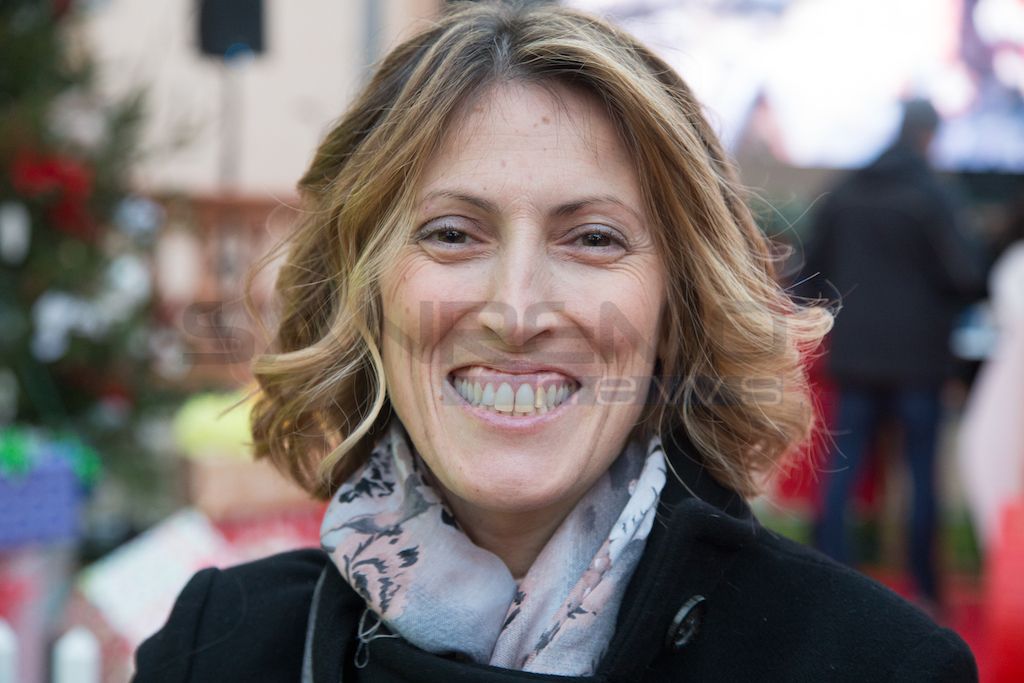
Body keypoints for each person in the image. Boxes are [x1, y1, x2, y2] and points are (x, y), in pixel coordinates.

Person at [134, 3, 977, 681]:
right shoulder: (217, 647)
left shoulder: (876, 663)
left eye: (593, 239)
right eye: (453, 234)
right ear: (365, 291)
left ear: (677, 307)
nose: (516, 309)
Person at [800, 99, 985, 612]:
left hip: (854, 356)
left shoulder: (845, 191)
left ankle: (827, 584)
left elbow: (809, 274)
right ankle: (926, 590)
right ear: (928, 136)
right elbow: (965, 275)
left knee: (842, 469)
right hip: (919, 361)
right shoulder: (933, 195)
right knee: (921, 475)